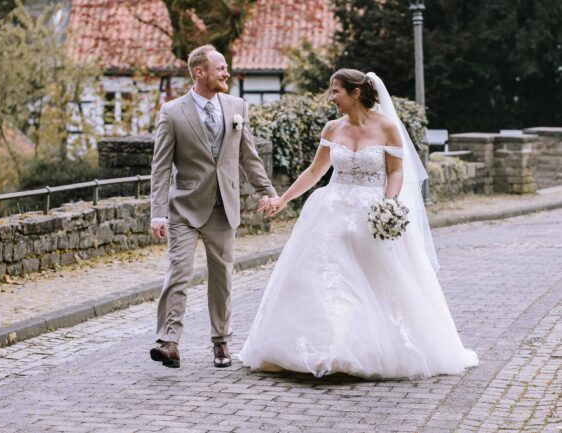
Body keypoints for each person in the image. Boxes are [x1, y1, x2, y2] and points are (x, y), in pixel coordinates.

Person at [238, 69, 478, 379]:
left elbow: (395, 172)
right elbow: (314, 172)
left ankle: (368, 349)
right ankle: (326, 347)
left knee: (377, 280)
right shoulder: (331, 128)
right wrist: (282, 199)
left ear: (356, 93)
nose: (331, 97)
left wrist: (389, 204)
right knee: (324, 278)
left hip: (372, 213)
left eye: (336, 91)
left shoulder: (387, 128)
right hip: (331, 211)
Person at [149, 45, 278, 369]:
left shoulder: (237, 107)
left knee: (222, 277)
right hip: (184, 209)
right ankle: (169, 341)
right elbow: (161, 166)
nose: (226, 73)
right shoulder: (172, 112)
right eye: (220, 68)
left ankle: (221, 343)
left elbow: (248, 156)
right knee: (178, 272)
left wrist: (268, 192)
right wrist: (158, 212)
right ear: (199, 72)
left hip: (224, 206)